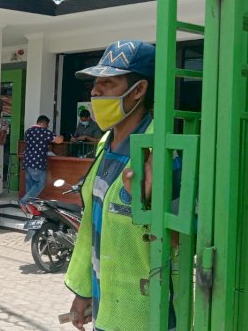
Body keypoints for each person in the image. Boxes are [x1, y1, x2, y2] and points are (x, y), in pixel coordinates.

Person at [64, 40, 181, 331]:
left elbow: (183, 240)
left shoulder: (161, 152)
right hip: (106, 306)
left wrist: (151, 206)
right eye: (95, 84)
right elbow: (91, 225)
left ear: (139, 90)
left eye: (108, 83)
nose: (95, 92)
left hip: (145, 314)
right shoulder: (105, 144)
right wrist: (82, 290)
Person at [18, 115, 63, 213]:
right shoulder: (45, 132)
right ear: (45, 124)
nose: (48, 127)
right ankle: (23, 201)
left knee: (30, 185)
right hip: (37, 162)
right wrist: (61, 136)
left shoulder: (28, 131)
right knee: (40, 184)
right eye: (47, 125)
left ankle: (28, 206)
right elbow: (59, 141)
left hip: (27, 161)